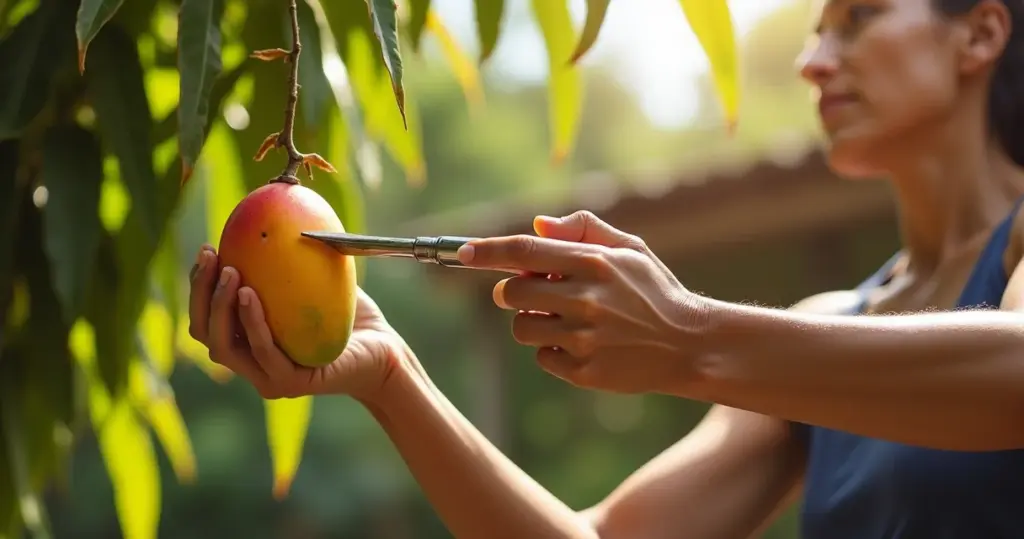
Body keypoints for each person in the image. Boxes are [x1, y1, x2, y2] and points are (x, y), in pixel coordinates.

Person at [188, 0, 1024, 536]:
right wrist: (391, 378)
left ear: (983, 31)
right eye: (813, 31)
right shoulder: (832, 320)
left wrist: (687, 336)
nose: (812, 60)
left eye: (858, 18)